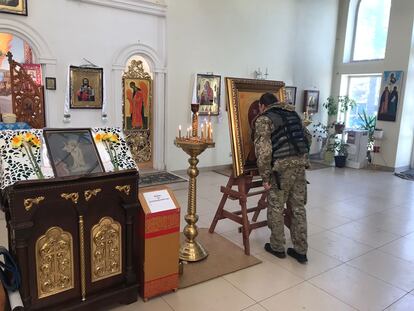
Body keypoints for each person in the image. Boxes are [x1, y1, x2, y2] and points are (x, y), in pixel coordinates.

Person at [253, 93, 311, 263]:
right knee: (298, 208)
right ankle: (301, 250)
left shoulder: (264, 119)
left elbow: (263, 152)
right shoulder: (293, 114)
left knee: (276, 206)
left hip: (280, 170)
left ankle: (277, 246)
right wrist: (300, 158)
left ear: (263, 106)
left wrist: (265, 177)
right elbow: (307, 137)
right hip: (300, 166)